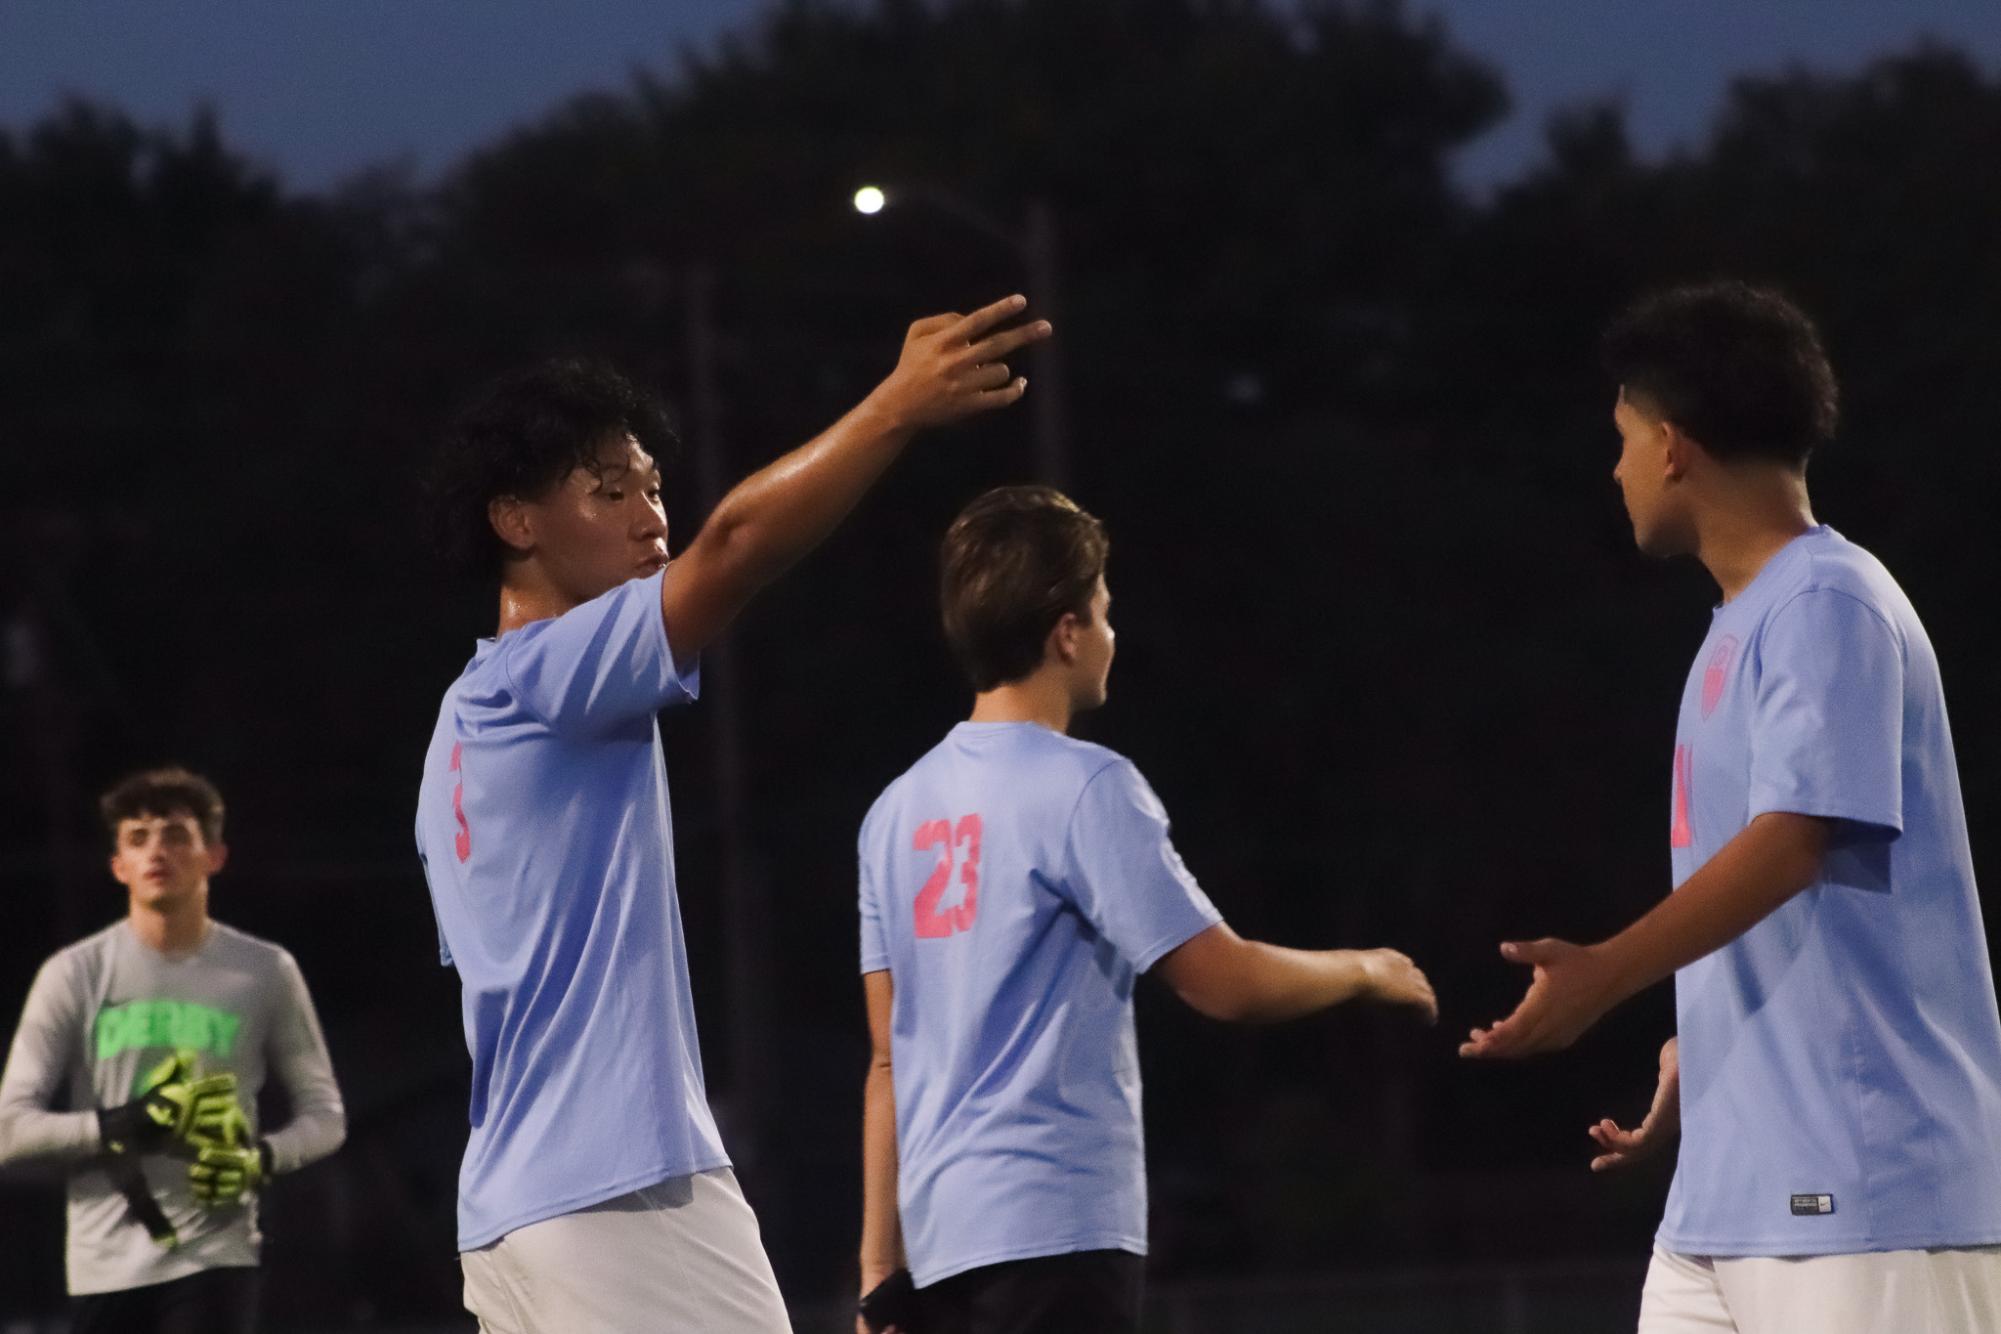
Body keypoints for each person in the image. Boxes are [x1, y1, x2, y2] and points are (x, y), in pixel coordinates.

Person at [415, 296, 1051, 1333]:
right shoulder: (545, 677)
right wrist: (893, 408)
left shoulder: (464, 716)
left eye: (655, 486)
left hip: (510, 1211)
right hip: (617, 1191)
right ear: (515, 520)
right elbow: (739, 547)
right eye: (607, 488)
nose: (649, 514)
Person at [1461, 281, 2001, 1332]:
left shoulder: (1826, 601)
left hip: (1862, 1188)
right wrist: (1705, 1041)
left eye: (1621, 438)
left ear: (1672, 445)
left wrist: (1604, 973)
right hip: (1729, 1191)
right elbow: (1784, 893)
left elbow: (1794, 843)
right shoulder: (1744, 622)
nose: (1613, 467)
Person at [854, 485, 1438, 1334]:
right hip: (1055, 1231)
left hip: (938, 1249)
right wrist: (1365, 970)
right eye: (1104, 611)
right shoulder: (1085, 785)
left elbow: (886, 1062)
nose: (1110, 635)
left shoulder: (893, 813)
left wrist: (879, 1270)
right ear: (1066, 632)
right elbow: (1223, 982)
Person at [0, 766, 347, 1334]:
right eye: (137, 838)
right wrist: (122, 1124)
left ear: (215, 855)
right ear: (118, 866)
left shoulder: (264, 971)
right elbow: (9, 1131)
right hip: (102, 1263)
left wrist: (259, 1159)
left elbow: (326, 1116)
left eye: (177, 835)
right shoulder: (73, 974)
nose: (157, 850)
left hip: (215, 1254)